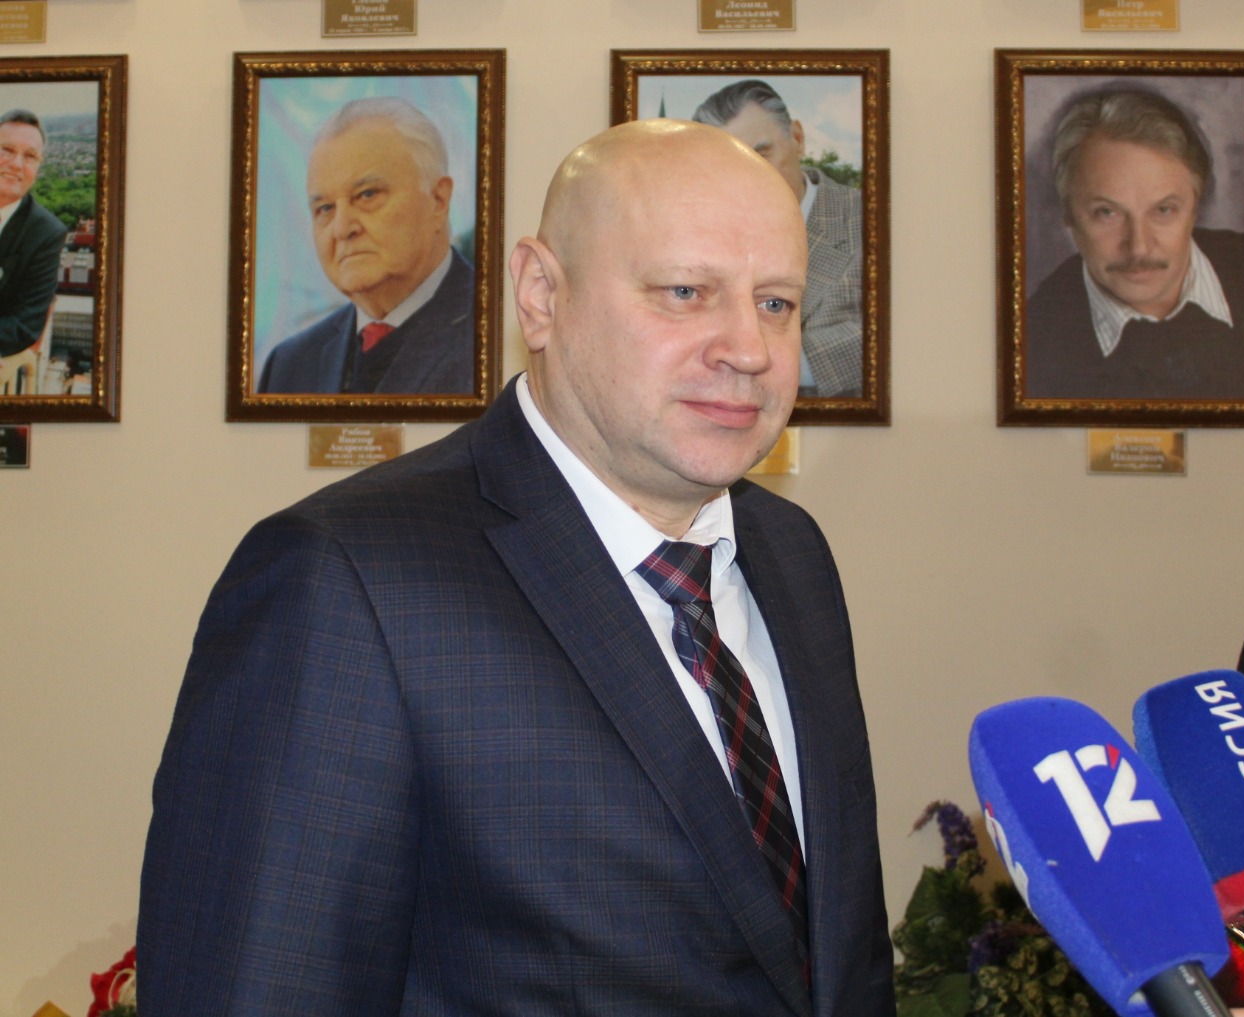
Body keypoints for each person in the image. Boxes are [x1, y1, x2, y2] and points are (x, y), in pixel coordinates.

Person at [139, 118, 894, 1016]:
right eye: (686, 291)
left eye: (776, 303)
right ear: (540, 295)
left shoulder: (794, 554)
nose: (749, 348)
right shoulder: (346, 581)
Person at [1025, 87, 1244, 401]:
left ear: (1195, 207)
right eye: (1107, 213)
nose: (1139, 248)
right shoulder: (1032, 338)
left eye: (1164, 210)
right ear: (1068, 215)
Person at [257, 97, 475, 395]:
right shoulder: (290, 366)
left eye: (367, 195)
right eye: (325, 208)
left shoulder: (493, 333)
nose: (342, 229)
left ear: (438, 200)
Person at [692, 79, 864, 399]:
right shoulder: (689, 234)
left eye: (762, 155)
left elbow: (893, 338)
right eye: (727, 165)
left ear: (797, 139)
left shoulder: (866, 220)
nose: (748, 178)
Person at [0, 109, 65, 391]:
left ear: (38, 168)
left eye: (29, 156)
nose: (16, 164)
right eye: (6, 150)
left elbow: (26, 323)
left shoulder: (46, 233)